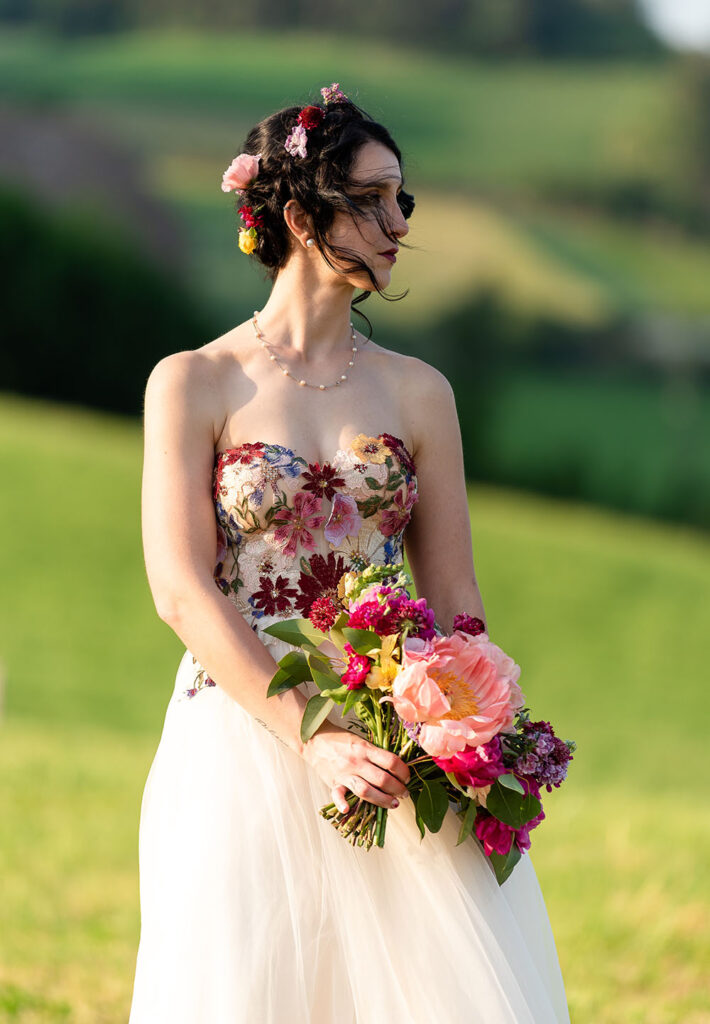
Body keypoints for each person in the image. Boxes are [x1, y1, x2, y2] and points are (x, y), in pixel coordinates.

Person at [128, 83, 570, 1023]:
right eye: (373, 199)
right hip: (242, 741)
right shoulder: (193, 383)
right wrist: (312, 735)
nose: (399, 220)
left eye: (403, 197)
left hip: (399, 742)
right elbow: (180, 589)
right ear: (298, 215)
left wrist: (482, 742)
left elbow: (456, 599)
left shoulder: (420, 395)